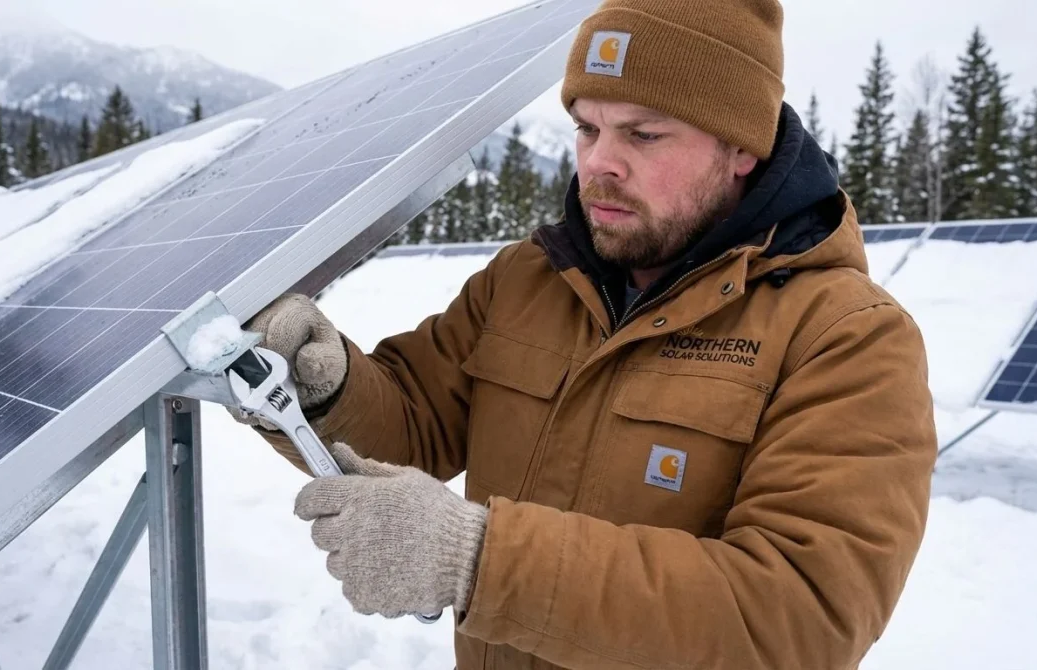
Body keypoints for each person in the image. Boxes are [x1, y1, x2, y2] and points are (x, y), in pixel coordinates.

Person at [234, 1, 938, 668]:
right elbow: (416, 422)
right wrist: (325, 387)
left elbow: (796, 619)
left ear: (741, 146)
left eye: (643, 133)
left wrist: (483, 560)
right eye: (587, 128)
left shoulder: (847, 341)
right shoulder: (529, 280)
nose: (600, 162)